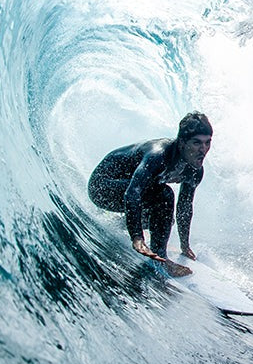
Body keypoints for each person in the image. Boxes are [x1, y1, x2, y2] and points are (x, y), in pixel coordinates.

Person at [88, 112, 213, 276]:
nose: (203, 150)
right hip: (102, 186)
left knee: (166, 218)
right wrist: (137, 237)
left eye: (207, 143)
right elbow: (132, 194)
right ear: (182, 143)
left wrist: (185, 246)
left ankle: (119, 224)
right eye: (197, 143)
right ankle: (160, 258)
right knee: (165, 196)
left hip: (127, 190)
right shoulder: (158, 155)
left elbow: (184, 207)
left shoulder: (195, 170)